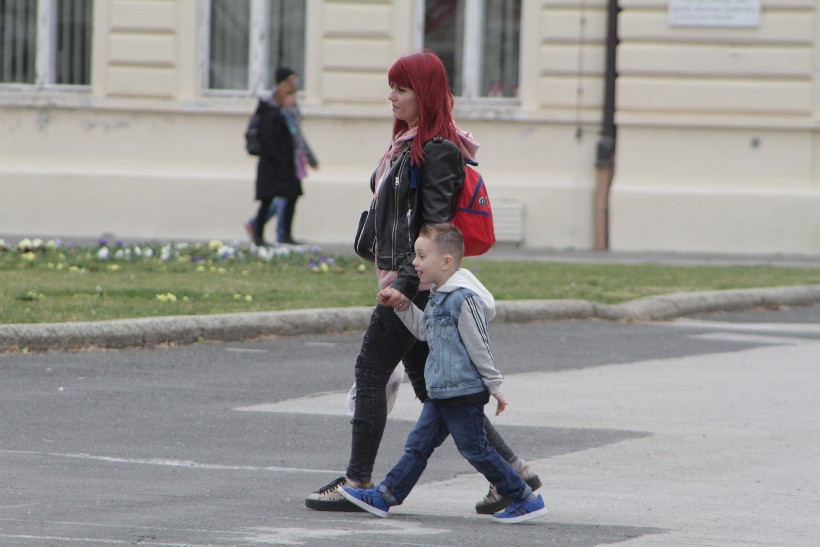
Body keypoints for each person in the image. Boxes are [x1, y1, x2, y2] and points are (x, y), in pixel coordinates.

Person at [304, 50, 540, 515]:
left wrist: (406, 286)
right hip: (408, 281)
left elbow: (434, 226)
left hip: (415, 286)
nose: (392, 97)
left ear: (425, 94)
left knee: (372, 371)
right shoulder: (408, 144)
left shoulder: (438, 150)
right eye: (391, 88)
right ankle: (515, 473)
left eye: (402, 89)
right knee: (438, 391)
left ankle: (357, 480)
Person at [339, 223, 548, 523]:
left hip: (463, 394)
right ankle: (384, 497)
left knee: (476, 451)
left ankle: (524, 498)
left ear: (446, 261)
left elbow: (480, 346)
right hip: (439, 393)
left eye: (422, 256)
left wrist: (495, 387)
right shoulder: (438, 296)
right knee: (417, 447)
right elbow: (425, 332)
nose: (414, 263)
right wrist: (402, 307)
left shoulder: (464, 299)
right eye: (415, 255)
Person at [246, 67, 318, 246]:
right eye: (290, 97)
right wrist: (279, 158)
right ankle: (259, 233)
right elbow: (268, 139)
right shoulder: (271, 113)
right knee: (268, 199)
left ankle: (284, 234)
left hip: (288, 163)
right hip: (272, 164)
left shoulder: (288, 114)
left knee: (291, 196)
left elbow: (297, 137)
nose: (293, 101)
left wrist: (308, 157)